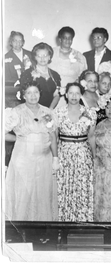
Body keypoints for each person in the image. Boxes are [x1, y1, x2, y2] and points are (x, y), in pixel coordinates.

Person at [5, 82, 58, 221]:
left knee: (42, 194)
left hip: (44, 158)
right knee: (24, 193)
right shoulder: (16, 112)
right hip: (23, 158)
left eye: (36, 92)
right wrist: (18, 138)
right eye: (29, 93)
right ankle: (21, 229)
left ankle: (42, 231)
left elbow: (53, 136)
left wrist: (55, 158)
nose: (33, 96)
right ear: (23, 95)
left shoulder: (47, 111)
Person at [54, 82, 97, 221]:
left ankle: (82, 221)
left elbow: (91, 136)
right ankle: (63, 221)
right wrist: (54, 158)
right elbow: (54, 136)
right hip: (64, 153)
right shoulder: (58, 112)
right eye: (71, 93)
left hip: (83, 154)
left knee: (81, 186)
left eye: (77, 93)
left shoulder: (89, 112)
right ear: (66, 95)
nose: (74, 96)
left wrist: (94, 157)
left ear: (81, 95)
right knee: (64, 186)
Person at [49, 27, 87, 99]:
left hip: (71, 95)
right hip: (51, 93)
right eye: (65, 38)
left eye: (70, 38)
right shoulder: (51, 52)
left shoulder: (79, 56)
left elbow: (83, 77)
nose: (67, 40)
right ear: (60, 39)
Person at [20, 42, 61, 109]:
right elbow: (25, 95)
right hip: (31, 110)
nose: (42, 59)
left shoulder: (55, 75)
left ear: (49, 57)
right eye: (39, 56)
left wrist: (50, 110)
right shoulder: (27, 74)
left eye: (45, 55)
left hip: (49, 110)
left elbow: (57, 95)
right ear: (35, 57)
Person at [4, 31, 32, 108]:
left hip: (31, 92)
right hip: (14, 95)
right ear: (10, 42)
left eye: (20, 41)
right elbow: (7, 81)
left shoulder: (30, 54)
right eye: (15, 41)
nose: (17, 43)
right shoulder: (5, 58)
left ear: (23, 42)